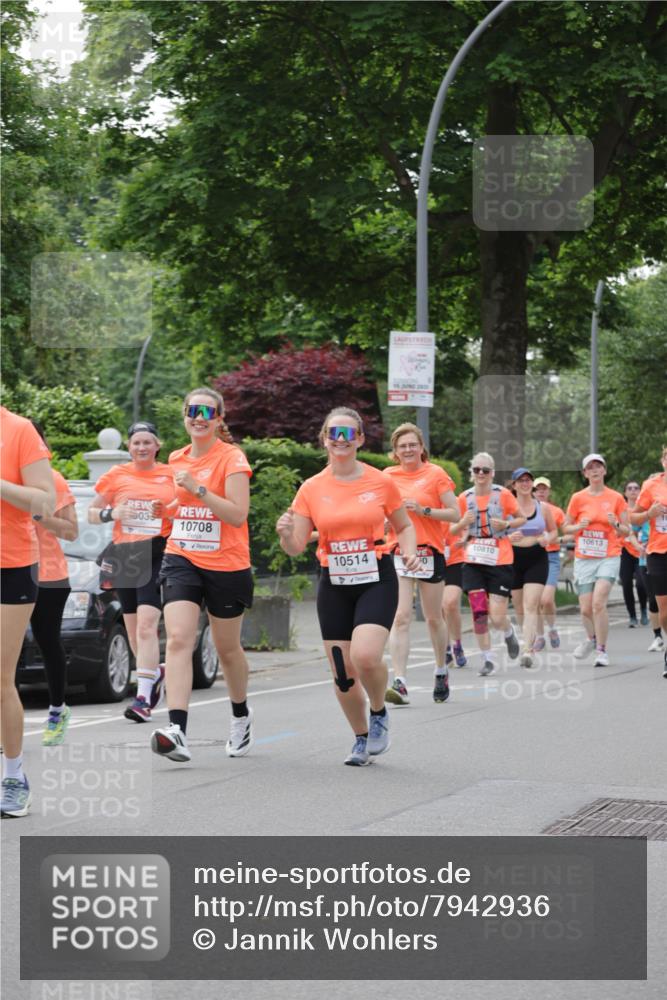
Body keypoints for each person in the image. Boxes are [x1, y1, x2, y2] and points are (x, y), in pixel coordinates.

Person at [276, 407, 419, 766]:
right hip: (334, 580)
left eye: (348, 434)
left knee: (366, 656)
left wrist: (411, 553)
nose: (340, 441)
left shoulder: (380, 481)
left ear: (359, 440)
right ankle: (359, 737)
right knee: (342, 671)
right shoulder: (311, 488)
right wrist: (284, 535)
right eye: (333, 434)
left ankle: (379, 710)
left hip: (375, 576)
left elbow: (403, 526)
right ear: (324, 439)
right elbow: (296, 545)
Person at [150, 388, 255, 762]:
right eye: (192, 410)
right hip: (182, 556)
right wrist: (164, 508)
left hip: (226, 564)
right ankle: (177, 729)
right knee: (178, 639)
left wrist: (198, 488)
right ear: (184, 415)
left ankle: (241, 714)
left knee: (227, 650)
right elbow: (182, 504)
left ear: (219, 418)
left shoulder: (233, 459)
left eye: (207, 411)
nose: (199, 416)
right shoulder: (177, 457)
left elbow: (236, 514)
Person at [88, 421, 175, 722]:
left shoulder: (171, 474)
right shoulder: (116, 475)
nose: (141, 448)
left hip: (157, 550)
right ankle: (155, 674)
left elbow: (184, 508)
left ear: (157, 445)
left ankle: (143, 697)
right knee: (135, 628)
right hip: (125, 554)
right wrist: (113, 512)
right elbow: (91, 513)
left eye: (147, 442)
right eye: (136, 443)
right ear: (129, 446)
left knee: (148, 624)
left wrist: (166, 512)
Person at [0, 406, 55, 818]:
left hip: (11, 564)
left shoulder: (18, 431)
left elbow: (44, 503)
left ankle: (14, 776)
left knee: (0, 677)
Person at [382, 423, 458, 706]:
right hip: (399, 552)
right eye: (402, 446)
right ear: (395, 451)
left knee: (433, 617)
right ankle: (399, 681)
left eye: (413, 444)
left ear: (421, 447)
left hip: (429, 552)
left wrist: (423, 510)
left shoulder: (435, 474)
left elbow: (454, 513)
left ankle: (441, 669)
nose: (408, 450)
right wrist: (385, 522)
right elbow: (377, 512)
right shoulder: (387, 476)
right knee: (400, 617)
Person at [449, 452, 525, 677]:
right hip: (473, 559)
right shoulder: (463, 498)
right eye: (477, 470)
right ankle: (487, 658)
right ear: (471, 473)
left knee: (497, 615)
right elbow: (451, 531)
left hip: (500, 558)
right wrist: (463, 523)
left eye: (485, 470)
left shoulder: (503, 495)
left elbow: (522, 518)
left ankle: (508, 631)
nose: (481, 474)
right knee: (479, 611)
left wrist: (506, 523)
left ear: (492, 473)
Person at [29, 422, 79, 746]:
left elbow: (72, 532)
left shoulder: (54, 481)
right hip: (9, 570)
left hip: (47, 575)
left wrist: (40, 516)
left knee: (47, 641)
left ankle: (57, 709)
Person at [562, 454, 629, 668]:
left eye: (598, 466)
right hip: (584, 557)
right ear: (585, 474)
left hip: (608, 555)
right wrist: (578, 527)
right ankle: (592, 639)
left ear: (604, 471)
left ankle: (601, 650)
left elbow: (626, 530)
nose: (594, 470)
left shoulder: (617, 498)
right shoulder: (578, 498)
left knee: (598, 602)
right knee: (585, 609)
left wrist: (616, 524)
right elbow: (566, 527)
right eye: (590, 468)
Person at [506, 469, 557, 668]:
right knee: (519, 606)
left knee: (530, 604)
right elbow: (496, 531)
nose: (525, 484)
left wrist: (547, 538)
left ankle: (528, 650)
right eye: (521, 481)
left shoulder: (542, 507)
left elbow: (553, 531)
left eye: (528, 480)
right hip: (512, 558)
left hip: (537, 557)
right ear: (514, 485)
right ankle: (526, 638)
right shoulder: (506, 507)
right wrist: (507, 537)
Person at [631, 448, 667, 677]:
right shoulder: (651, 485)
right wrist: (649, 514)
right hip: (658, 552)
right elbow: (634, 517)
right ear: (663, 460)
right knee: (664, 610)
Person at [532, 476, 565, 650]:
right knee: (535, 600)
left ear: (549, 491)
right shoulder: (527, 509)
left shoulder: (556, 511)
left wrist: (555, 537)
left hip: (551, 556)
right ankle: (539, 636)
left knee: (546, 599)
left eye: (544, 489)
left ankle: (552, 628)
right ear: (533, 491)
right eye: (538, 489)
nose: (541, 492)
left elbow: (569, 533)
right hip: (532, 557)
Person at [619, 480, 648, 627]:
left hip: (641, 551)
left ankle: (643, 610)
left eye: (636, 488)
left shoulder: (644, 509)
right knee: (626, 583)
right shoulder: (621, 510)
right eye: (629, 488)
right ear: (625, 493)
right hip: (625, 551)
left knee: (641, 584)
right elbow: (617, 530)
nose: (633, 491)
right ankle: (632, 616)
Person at [442, 518, 468, 668]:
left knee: (450, 603)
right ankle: (445, 648)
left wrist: (465, 538)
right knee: (438, 609)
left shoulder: (456, 502)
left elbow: (468, 526)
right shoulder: (423, 504)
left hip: (454, 559)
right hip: (431, 558)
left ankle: (457, 644)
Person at [636, 519, 664, 653]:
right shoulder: (644, 517)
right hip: (646, 562)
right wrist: (638, 546)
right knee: (653, 600)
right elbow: (629, 532)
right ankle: (657, 636)